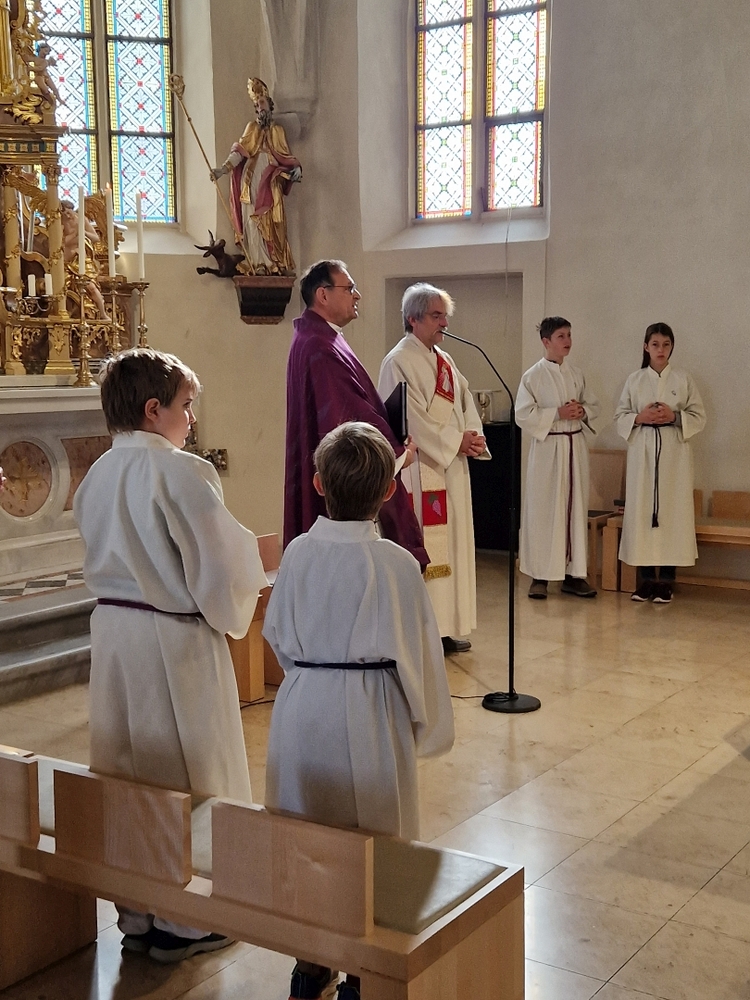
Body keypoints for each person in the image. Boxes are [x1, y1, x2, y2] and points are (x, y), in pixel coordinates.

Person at [73, 348, 268, 964]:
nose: (192, 419)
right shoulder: (182, 472)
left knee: (128, 777)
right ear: (153, 410)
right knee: (195, 778)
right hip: (174, 641)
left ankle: (137, 915)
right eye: (186, 406)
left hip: (114, 639)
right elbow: (218, 565)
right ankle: (189, 923)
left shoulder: (97, 473)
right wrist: (245, 586)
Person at [264, 421, 455, 1000]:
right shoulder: (396, 564)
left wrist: (311, 675)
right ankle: (363, 976)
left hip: (304, 703)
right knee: (377, 843)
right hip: (372, 709)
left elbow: (277, 634)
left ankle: (309, 964)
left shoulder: (297, 552)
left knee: (308, 839)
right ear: (391, 490)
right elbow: (420, 655)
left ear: (318, 484)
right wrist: (426, 727)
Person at [284, 259, 429, 569]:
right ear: (323, 295)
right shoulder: (320, 345)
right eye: (349, 288)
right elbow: (346, 414)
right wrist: (398, 453)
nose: (357, 295)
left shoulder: (320, 337)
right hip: (342, 495)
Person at [378, 282, 488, 655]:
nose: (445, 323)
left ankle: (447, 625)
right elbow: (409, 418)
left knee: (453, 545)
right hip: (422, 467)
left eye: (445, 315)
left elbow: (465, 402)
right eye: (437, 316)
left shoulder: (446, 360)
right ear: (413, 318)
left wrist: (472, 436)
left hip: (451, 467)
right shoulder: (398, 360)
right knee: (428, 544)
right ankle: (425, 629)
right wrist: (454, 441)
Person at [615, 323, 706, 603]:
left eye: (666, 344)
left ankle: (666, 580)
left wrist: (674, 417)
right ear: (646, 347)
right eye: (655, 344)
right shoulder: (635, 380)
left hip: (673, 456)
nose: (661, 350)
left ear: (672, 347)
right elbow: (620, 417)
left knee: (672, 512)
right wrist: (639, 418)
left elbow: (699, 416)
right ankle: (645, 581)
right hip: (642, 451)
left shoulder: (683, 379)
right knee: (643, 511)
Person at [516, 316, 600, 599]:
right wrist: (557, 414)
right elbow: (523, 414)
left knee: (574, 509)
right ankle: (539, 576)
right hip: (548, 449)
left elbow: (593, 405)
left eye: (569, 335)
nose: (568, 341)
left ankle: (573, 575)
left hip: (574, 446)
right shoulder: (533, 376)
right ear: (546, 341)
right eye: (561, 336)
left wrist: (582, 411)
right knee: (544, 510)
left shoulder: (576, 374)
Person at [211, 77, 301, 274]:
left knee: (274, 219)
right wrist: (223, 170)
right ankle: (257, 262)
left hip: (272, 180)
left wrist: (296, 169)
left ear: (270, 104)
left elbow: (286, 156)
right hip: (250, 179)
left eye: (262, 102)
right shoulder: (251, 128)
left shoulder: (278, 131)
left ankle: (275, 262)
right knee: (252, 218)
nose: (260, 107)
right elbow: (239, 152)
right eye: (257, 105)